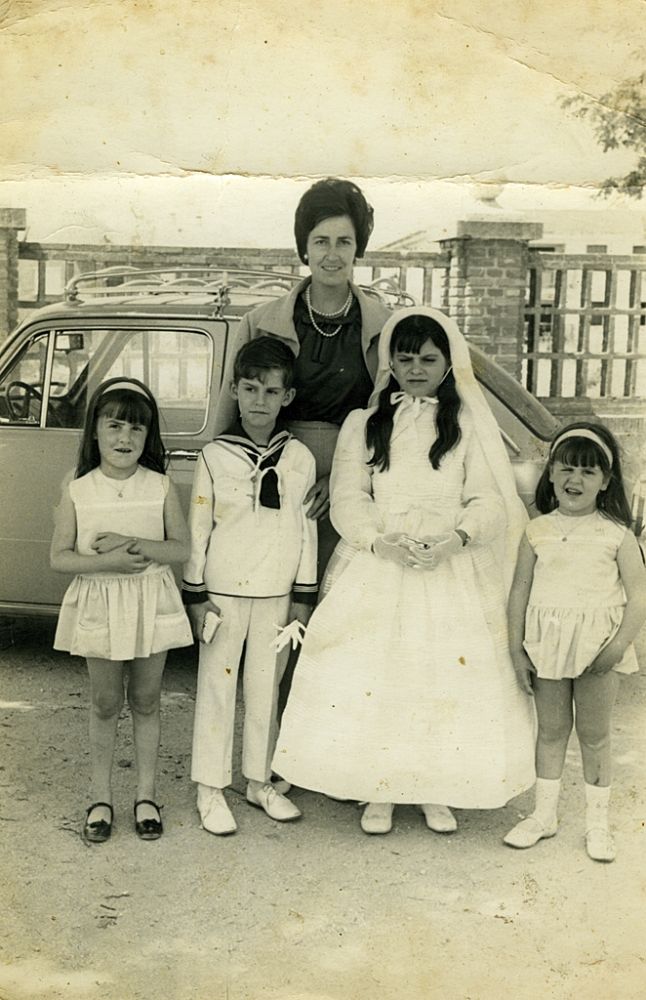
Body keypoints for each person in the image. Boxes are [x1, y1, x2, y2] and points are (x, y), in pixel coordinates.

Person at [273, 306, 536, 834]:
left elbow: (488, 498)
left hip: (448, 563)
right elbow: (349, 495)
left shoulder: (462, 424)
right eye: (405, 357)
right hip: (383, 562)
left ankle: (436, 788)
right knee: (379, 674)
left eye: (428, 359)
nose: (415, 368)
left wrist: (456, 538)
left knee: (440, 675)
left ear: (447, 364)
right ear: (390, 361)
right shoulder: (364, 423)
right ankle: (380, 790)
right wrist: (377, 540)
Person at [215, 177, 391, 578]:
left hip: (352, 488)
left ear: (358, 248)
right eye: (321, 241)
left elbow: (388, 424)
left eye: (344, 241)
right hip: (271, 481)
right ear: (304, 249)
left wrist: (342, 482)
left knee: (336, 601)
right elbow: (230, 418)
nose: (332, 254)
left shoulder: (385, 328)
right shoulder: (259, 323)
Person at [182, 337, 317, 835]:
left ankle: (259, 781)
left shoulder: (299, 458)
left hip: (277, 596)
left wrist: (303, 598)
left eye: (271, 391)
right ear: (235, 392)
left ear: (287, 397)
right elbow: (199, 530)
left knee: (266, 688)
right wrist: (196, 596)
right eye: (250, 389)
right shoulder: (215, 456)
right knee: (217, 688)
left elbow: (305, 530)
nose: (259, 400)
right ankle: (210, 788)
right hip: (222, 594)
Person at [50, 378, 193, 844]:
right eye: (113, 426)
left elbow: (180, 549)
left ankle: (146, 795)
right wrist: (109, 561)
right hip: (100, 600)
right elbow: (59, 557)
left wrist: (130, 545)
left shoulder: (160, 485)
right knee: (105, 702)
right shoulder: (77, 487)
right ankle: (100, 796)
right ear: (94, 431)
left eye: (136, 429)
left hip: (150, 600)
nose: (124, 438)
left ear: (148, 437)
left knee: (147, 700)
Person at [504, 422, 646, 863]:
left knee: (594, 735)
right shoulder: (537, 532)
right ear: (550, 474)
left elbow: (639, 596)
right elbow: (519, 592)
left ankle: (597, 825)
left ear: (606, 481)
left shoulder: (617, 535)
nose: (574, 480)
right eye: (566, 469)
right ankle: (543, 816)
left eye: (587, 473)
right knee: (550, 732)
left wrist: (618, 646)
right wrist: (516, 648)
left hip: (599, 646)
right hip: (546, 645)